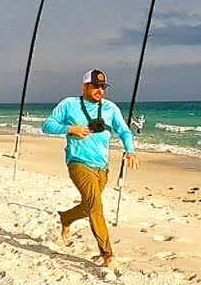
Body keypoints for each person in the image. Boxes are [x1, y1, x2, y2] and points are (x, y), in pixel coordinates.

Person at [41, 69, 137, 267]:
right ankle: (107, 254)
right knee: (96, 206)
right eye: (95, 86)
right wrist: (69, 128)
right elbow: (47, 125)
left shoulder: (110, 108)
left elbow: (124, 131)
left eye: (103, 87)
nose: (100, 90)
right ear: (84, 86)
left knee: (89, 206)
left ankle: (66, 218)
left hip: (101, 167)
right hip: (78, 163)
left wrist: (130, 150)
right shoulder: (69, 104)